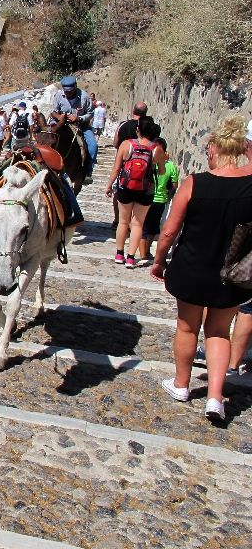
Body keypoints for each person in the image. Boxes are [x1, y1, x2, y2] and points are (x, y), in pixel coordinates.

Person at [152, 116, 252, 422]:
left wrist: (159, 261)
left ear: (217, 148)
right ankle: (214, 397)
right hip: (231, 274)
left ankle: (182, 384)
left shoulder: (194, 183)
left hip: (192, 269)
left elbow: (169, 231)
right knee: (220, 331)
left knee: (187, 326)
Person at [106, 116, 159, 269]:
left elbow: (117, 168)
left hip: (125, 187)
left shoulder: (126, 144)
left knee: (123, 221)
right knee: (138, 224)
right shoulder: (156, 149)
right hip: (145, 190)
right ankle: (130, 258)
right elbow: (160, 170)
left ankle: (119, 254)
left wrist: (109, 186)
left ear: (137, 129)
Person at [112, 102, 153, 228]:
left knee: (118, 191)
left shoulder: (123, 125)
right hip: (145, 172)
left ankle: (118, 220)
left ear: (132, 110)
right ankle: (134, 223)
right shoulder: (149, 127)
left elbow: (115, 143)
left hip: (124, 166)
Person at [137, 137, 178, 264]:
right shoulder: (171, 166)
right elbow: (175, 185)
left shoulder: (149, 162)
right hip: (160, 201)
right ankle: (147, 251)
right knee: (153, 228)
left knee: (143, 226)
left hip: (146, 198)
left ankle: (142, 254)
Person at [50, 76, 96, 184]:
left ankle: (88, 172)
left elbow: (90, 113)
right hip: (61, 124)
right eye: (66, 91)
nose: (68, 93)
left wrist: (79, 118)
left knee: (93, 145)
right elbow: (53, 111)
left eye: (70, 91)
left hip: (81, 125)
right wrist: (59, 117)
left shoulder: (84, 97)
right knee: (48, 139)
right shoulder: (58, 95)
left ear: (75, 86)